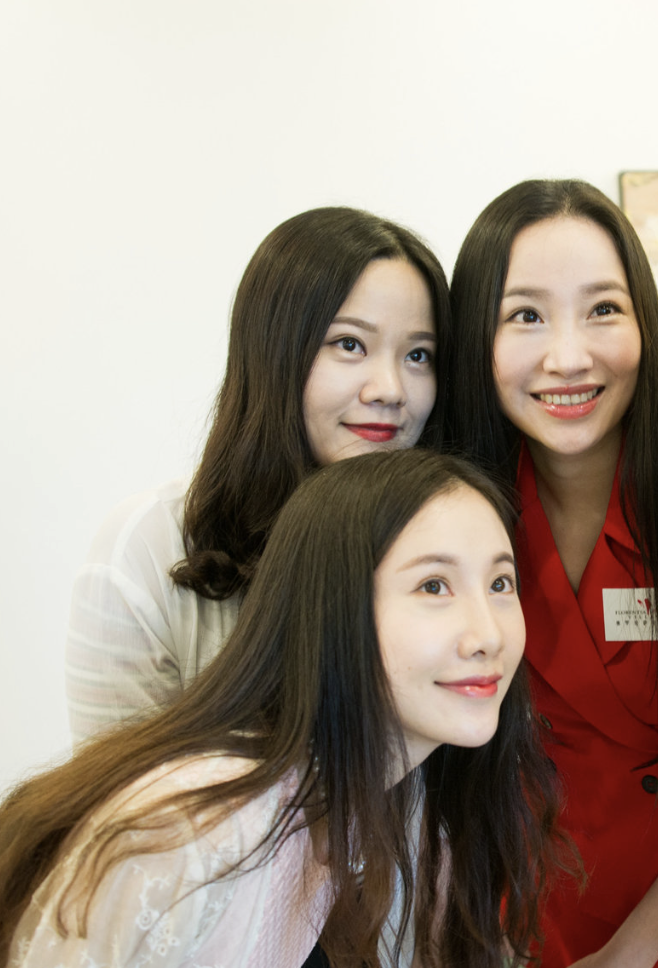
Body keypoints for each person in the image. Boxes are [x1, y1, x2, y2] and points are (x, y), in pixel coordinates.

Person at [0, 449, 564, 968]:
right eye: (435, 585)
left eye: (500, 583)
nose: (489, 634)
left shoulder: (404, 815)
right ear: (333, 612)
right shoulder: (204, 832)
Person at [438, 179, 658, 967]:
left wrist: (630, 955)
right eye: (525, 315)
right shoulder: (457, 519)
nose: (569, 357)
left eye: (603, 309)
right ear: (478, 338)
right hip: (548, 928)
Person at [66, 207, 448, 742]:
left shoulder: (448, 548)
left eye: (418, 354)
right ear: (273, 353)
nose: (390, 388)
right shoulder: (148, 547)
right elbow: (117, 807)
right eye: (349, 345)